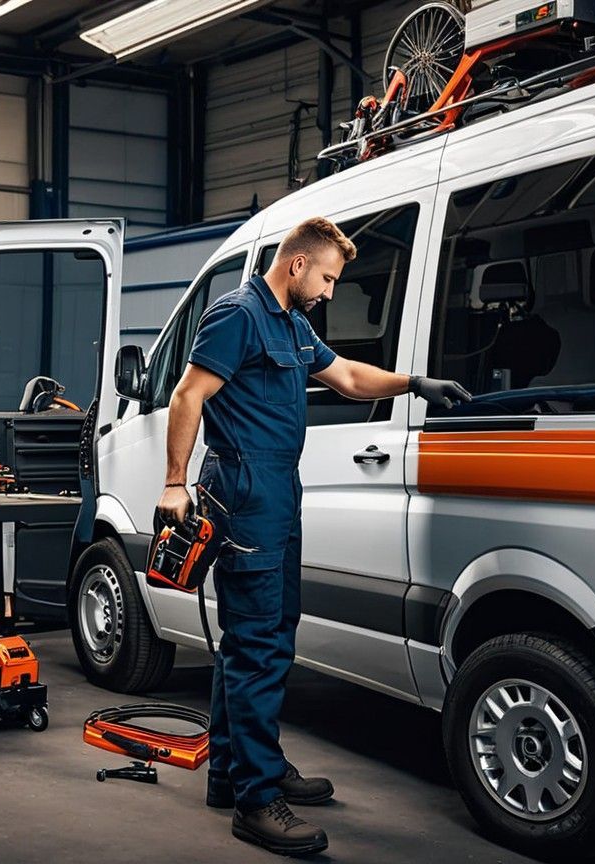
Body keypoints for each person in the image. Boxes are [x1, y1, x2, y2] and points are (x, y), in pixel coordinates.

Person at [156, 216, 471, 856]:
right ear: (297, 263)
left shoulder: (291, 324)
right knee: (257, 645)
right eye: (327, 277)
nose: (330, 291)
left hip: (278, 490)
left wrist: (414, 383)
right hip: (244, 490)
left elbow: (349, 377)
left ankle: (236, 770)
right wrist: (172, 482)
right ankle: (255, 800)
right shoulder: (238, 314)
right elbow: (188, 395)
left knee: (270, 633)